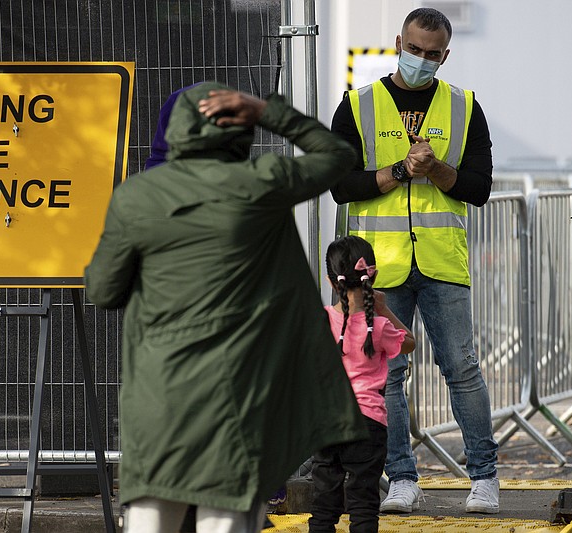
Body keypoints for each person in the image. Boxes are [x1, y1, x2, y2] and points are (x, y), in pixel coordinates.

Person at [85, 82, 368, 533]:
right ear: (239, 128)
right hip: (238, 401)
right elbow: (337, 155)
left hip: (158, 402)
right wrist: (266, 110)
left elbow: (101, 290)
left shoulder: (136, 197)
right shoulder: (261, 184)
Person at [329, 7, 500, 514]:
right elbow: (342, 186)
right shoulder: (357, 105)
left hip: (442, 262)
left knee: (462, 369)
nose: (421, 59)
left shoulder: (465, 107)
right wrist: (404, 169)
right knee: (387, 376)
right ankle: (401, 478)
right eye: (414, 49)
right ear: (398, 41)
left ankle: (484, 478)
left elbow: (479, 187)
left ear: (445, 54)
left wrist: (437, 170)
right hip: (378, 267)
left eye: (432, 54)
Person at [309, 235, 415, 533]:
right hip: (368, 423)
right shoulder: (378, 327)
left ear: (331, 282)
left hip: (327, 420)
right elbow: (410, 342)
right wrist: (382, 308)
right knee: (363, 506)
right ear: (373, 275)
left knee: (323, 505)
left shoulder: (319, 320)